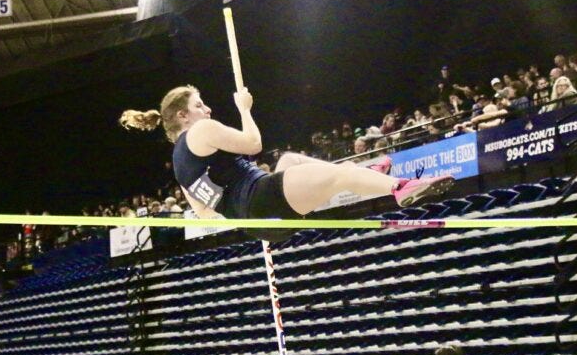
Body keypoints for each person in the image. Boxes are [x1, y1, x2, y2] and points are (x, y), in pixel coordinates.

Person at [119, 87, 455, 242]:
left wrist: (240, 202)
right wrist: (245, 108)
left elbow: (207, 214)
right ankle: (400, 190)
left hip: (257, 224)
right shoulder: (203, 129)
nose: (207, 110)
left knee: (290, 160)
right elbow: (254, 144)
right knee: (335, 175)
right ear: (183, 115)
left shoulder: (179, 167)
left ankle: (362, 176)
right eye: (200, 105)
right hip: (261, 199)